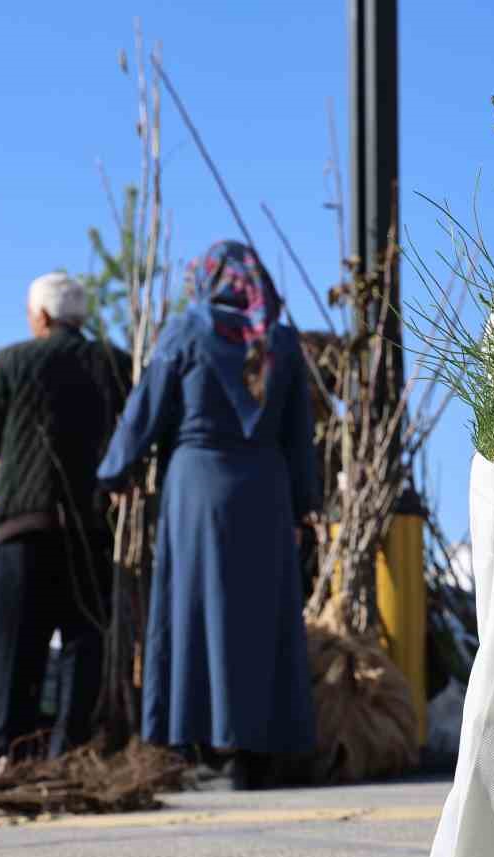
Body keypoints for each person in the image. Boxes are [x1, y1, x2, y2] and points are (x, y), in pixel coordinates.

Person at [97, 241, 320, 789]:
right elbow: (300, 437)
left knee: (196, 615)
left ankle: (202, 748)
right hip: (265, 494)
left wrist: (112, 473)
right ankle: (258, 755)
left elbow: (143, 412)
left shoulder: (186, 331)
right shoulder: (282, 341)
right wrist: (303, 507)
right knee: (258, 619)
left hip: (196, 491)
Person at [0, 271, 128, 768]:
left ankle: (7, 756)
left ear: (40, 316)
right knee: (84, 644)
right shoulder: (114, 363)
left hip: (24, 527)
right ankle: (71, 753)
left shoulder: (11, 361)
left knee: (14, 648)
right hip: (90, 527)